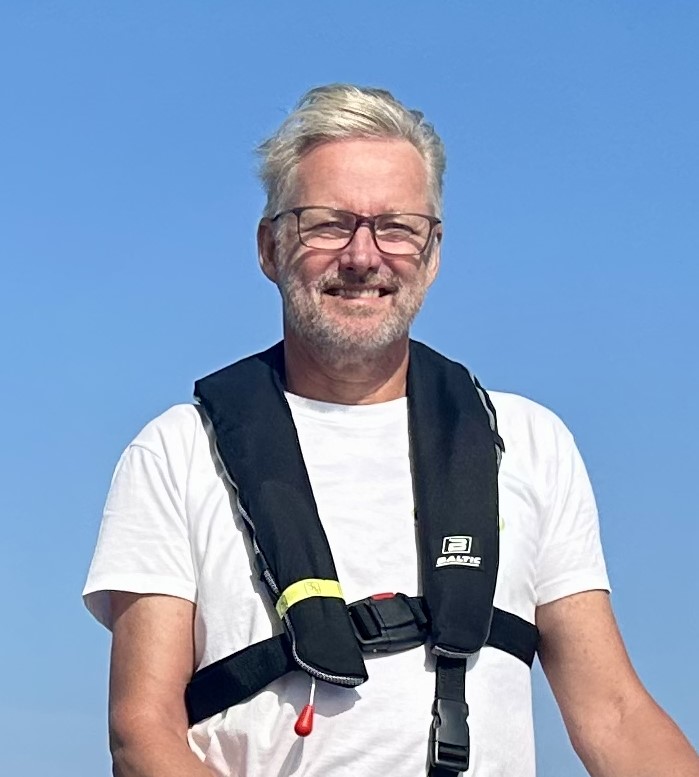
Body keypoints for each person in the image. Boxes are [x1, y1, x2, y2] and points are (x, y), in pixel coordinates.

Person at [83, 84, 698, 777]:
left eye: (396, 228)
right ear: (269, 247)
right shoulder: (176, 452)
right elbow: (143, 731)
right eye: (326, 224)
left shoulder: (529, 442)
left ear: (431, 254)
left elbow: (614, 713)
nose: (362, 256)